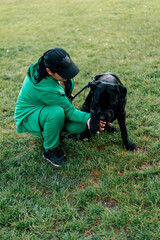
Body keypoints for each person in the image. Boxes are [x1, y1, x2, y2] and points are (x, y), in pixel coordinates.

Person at [14, 47, 106, 167]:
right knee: (56, 113)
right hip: (29, 114)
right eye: (64, 73)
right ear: (49, 71)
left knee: (81, 126)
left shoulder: (49, 67)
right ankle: (50, 150)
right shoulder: (45, 88)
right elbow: (70, 111)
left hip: (48, 106)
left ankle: (54, 130)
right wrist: (91, 118)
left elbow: (66, 101)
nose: (68, 75)